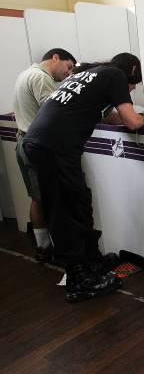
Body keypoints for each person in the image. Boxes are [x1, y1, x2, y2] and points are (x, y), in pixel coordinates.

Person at [18, 53, 144, 302]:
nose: (131, 89)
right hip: (53, 147)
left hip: (42, 143)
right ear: (132, 70)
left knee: (78, 201)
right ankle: (78, 279)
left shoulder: (90, 74)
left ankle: (91, 262)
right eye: (134, 84)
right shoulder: (116, 76)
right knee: (67, 210)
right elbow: (132, 122)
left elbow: (106, 115)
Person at [13, 48, 76, 262]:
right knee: (44, 198)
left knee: (36, 196)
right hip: (37, 146)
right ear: (55, 58)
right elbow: (54, 113)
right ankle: (46, 248)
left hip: (23, 141)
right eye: (68, 67)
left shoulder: (25, 74)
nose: (68, 74)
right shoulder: (41, 78)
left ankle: (43, 245)